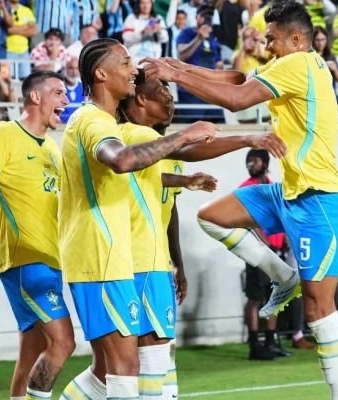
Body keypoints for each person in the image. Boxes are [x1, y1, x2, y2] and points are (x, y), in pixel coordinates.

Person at [141, 1, 338, 398]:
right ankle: (282, 274)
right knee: (211, 216)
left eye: (272, 39)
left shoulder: (298, 65)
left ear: (295, 38)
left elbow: (237, 100)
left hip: (319, 201)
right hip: (288, 192)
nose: (267, 45)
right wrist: (183, 68)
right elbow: (238, 77)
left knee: (318, 312)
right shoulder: (296, 61)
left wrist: (176, 74)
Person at [56, 38, 218, 399]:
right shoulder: (90, 119)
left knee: (114, 370)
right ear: (100, 73)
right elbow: (122, 160)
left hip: (115, 259)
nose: (134, 71)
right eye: (126, 63)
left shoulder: (106, 122)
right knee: (125, 370)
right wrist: (183, 136)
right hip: (96, 258)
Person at [0, 71, 76, 400]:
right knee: (63, 342)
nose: (66, 100)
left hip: (52, 261)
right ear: (35, 97)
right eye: (58, 93)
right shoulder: (4, 133)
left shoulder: (52, 146)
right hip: (26, 259)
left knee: (32, 349)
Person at [240, 149, 297, 360]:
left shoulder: (273, 187)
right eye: (248, 161)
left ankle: (271, 342)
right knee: (255, 298)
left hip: (276, 252)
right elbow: (247, 222)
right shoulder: (245, 188)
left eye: (254, 161)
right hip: (257, 253)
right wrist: (267, 245)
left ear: (265, 163)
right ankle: (255, 345)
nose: (249, 164)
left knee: (275, 297)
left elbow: (281, 217)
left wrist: (285, 239)